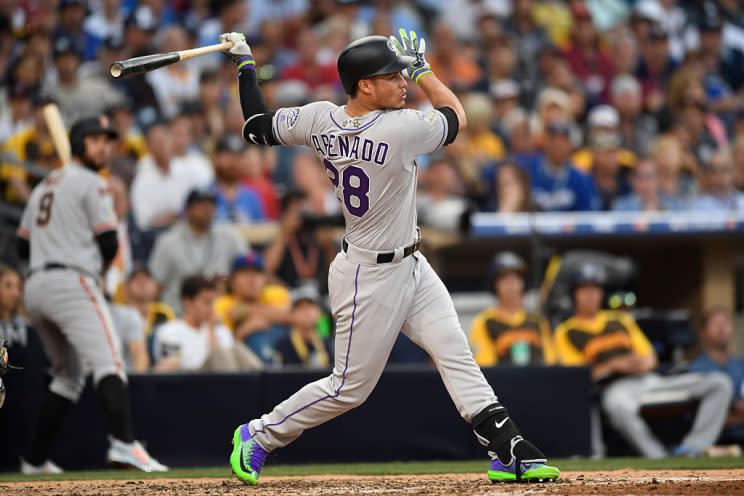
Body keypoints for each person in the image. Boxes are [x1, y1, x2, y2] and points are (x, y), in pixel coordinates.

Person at [220, 29, 559, 485]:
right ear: (365, 85)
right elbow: (456, 116)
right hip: (367, 274)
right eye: (393, 75)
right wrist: (425, 71)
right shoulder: (399, 128)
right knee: (348, 389)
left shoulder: (321, 117)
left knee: (455, 354)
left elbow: (255, 126)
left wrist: (245, 64)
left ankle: (508, 448)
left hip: (411, 264)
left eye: (404, 74)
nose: (403, 82)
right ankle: (259, 435)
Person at [15, 115, 166, 473]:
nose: (103, 146)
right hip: (72, 281)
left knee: (68, 376)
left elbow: (22, 247)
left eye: (106, 140)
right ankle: (125, 444)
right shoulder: (93, 182)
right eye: (95, 140)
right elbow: (109, 241)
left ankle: (35, 461)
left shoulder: (43, 186)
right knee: (110, 363)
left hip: (35, 287)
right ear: (79, 143)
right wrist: (94, 273)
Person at [554, 263, 733, 458]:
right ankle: (658, 457)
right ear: (575, 294)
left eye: (595, 289)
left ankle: (693, 448)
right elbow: (576, 376)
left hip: (649, 380)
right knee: (617, 405)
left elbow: (650, 358)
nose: (591, 295)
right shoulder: (566, 330)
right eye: (585, 290)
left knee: (719, 383)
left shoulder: (620, 320)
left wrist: (635, 364)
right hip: (616, 388)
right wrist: (614, 365)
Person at [148, 188, 248, 314]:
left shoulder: (229, 236)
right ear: (188, 209)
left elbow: (249, 270)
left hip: (221, 314)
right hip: (178, 314)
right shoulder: (168, 242)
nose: (207, 209)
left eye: (211, 205)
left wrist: (227, 281)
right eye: (201, 205)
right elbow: (155, 283)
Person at [153, 276, 263, 372]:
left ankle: (265, 386)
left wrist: (212, 330)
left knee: (237, 348)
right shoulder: (170, 331)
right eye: (207, 302)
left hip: (218, 380)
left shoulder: (220, 329)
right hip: (189, 383)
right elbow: (169, 366)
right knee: (220, 353)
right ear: (187, 302)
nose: (212, 308)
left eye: (213, 303)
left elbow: (231, 362)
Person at [469, 252, 555, 367]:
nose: (511, 285)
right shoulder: (484, 322)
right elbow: (485, 366)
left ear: (523, 283)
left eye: (516, 278)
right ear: (495, 284)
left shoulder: (537, 321)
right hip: (501, 382)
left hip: (538, 381)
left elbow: (551, 363)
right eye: (505, 280)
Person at [214, 253, 291, 361]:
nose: (252, 280)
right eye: (245, 273)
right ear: (232, 280)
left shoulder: (276, 293)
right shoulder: (221, 304)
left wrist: (246, 310)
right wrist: (243, 331)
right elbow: (222, 353)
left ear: (265, 279)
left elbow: (296, 316)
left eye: (257, 273)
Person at [689, 307, 744, 445]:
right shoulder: (696, 370)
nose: (721, 328)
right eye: (715, 324)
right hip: (716, 442)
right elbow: (700, 418)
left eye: (725, 323)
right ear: (703, 332)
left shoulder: (741, 365)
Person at [273, 295, 332, 368]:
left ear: (319, 313)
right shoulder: (283, 343)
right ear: (292, 314)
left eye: (310, 307)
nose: (306, 312)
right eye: (300, 308)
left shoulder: (325, 341)